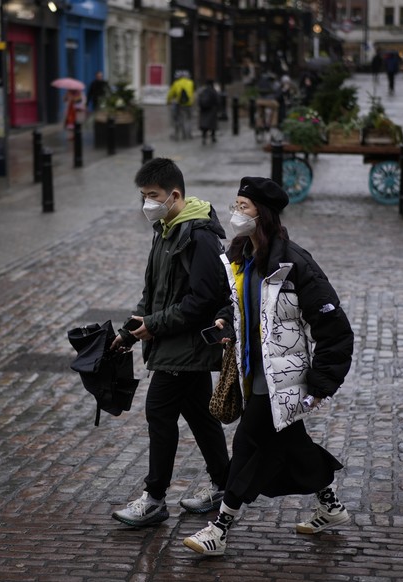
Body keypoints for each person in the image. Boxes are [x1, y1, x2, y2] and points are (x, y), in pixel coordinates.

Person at [183, 177, 354, 556]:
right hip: (251, 373)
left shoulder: (294, 263)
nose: (235, 213)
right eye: (236, 204)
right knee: (293, 444)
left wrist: (322, 382)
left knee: (247, 443)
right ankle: (331, 505)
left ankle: (220, 529)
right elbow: (239, 302)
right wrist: (226, 319)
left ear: (264, 213)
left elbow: (335, 329)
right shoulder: (240, 258)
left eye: (243, 206)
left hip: (282, 379)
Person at [110, 157, 232, 527]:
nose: (147, 203)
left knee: (159, 413)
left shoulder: (198, 236)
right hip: (173, 344)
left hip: (186, 347)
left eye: (153, 195)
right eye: (143, 196)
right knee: (199, 414)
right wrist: (130, 330)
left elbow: (203, 301)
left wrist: (154, 325)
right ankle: (224, 484)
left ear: (174, 194)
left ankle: (155, 498)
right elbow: (155, 290)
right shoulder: (166, 228)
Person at [167, 71, 195, 140]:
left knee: (180, 118)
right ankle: (189, 134)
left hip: (180, 104)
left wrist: (168, 101)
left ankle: (182, 134)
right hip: (189, 104)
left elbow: (170, 94)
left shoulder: (176, 83)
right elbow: (192, 93)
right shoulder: (191, 83)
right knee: (189, 119)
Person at [197, 79, 220, 145]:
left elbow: (199, 100)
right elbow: (217, 100)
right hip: (212, 109)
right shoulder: (213, 91)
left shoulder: (203, 91)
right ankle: (213, 137)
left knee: (204, 124)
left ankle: (204, 137)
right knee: (212, 124)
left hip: (204, 110)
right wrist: (218, 108)